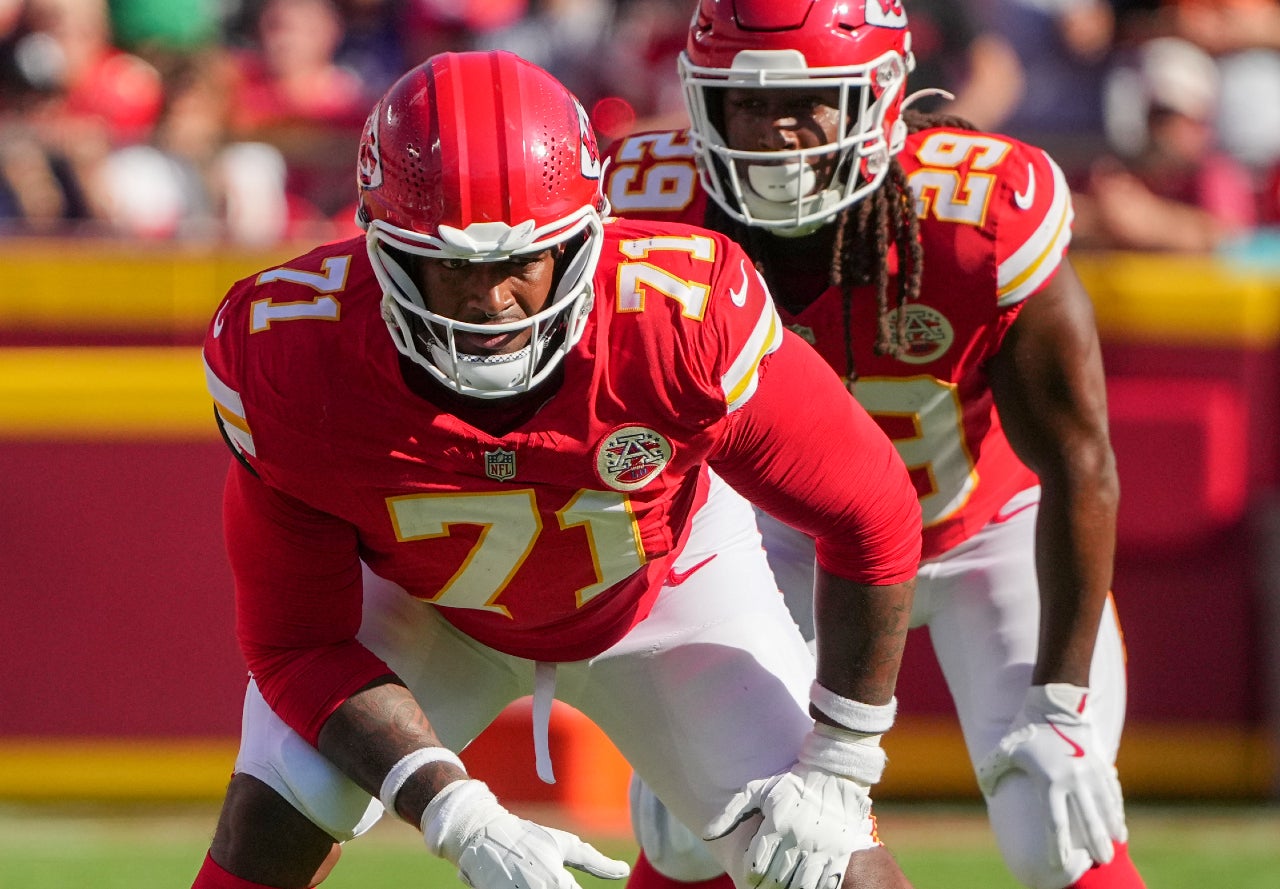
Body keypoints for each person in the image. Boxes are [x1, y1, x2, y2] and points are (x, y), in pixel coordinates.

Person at [191, 49, 925, 889]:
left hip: (665, 583)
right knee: (283, 802)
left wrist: (841, 759)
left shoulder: (677, 321)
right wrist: (453, 810)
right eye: (454, 264)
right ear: (381, 245)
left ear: (585, 237)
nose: (491, 298)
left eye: (522, 261)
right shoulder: (293, 352)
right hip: (429, 609)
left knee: (829, 861)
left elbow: (872, 510)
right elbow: (298, 643)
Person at [603, 2, 1144, 889]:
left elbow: (1079, 458)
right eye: (743, 101)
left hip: (980, 529)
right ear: (701, 101)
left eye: (809, 99)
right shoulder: (655, 218)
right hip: (783, 541)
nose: (774, 131)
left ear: (879, 97)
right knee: (685, 822)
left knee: (1054, 809)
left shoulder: (976, 217)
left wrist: (1061, 699)